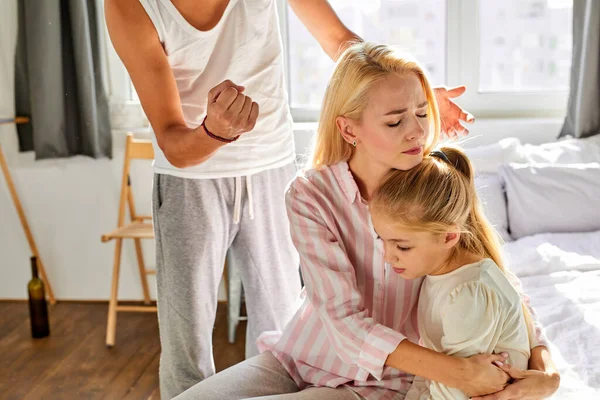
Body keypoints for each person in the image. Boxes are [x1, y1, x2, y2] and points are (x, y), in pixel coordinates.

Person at [105, 1, 473, 398]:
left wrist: (400, 97)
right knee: (186, 343)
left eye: (419, 116)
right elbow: (174, 142)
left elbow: (339, 41)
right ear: (348, 132)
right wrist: (215, 131)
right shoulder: (131, 7)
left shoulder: (333, 189)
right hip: (192, 176)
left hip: (270, 166)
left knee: (276, 317)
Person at [172, 42, 559, 400]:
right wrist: (459, 372)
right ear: (348, 129)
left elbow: (500, 284)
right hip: (300, 358)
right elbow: (342, 319)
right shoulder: (311, 194)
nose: (418, 132)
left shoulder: (436, 185)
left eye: (423, 113)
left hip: (381, 383)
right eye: (395, 122)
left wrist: (548, 372)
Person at [370, 146, 536, 400]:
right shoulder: (444, 271)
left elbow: (459, 387)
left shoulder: (467, 293)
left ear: (449, 236)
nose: (388, 256)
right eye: (383, 240)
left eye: (402, 246)